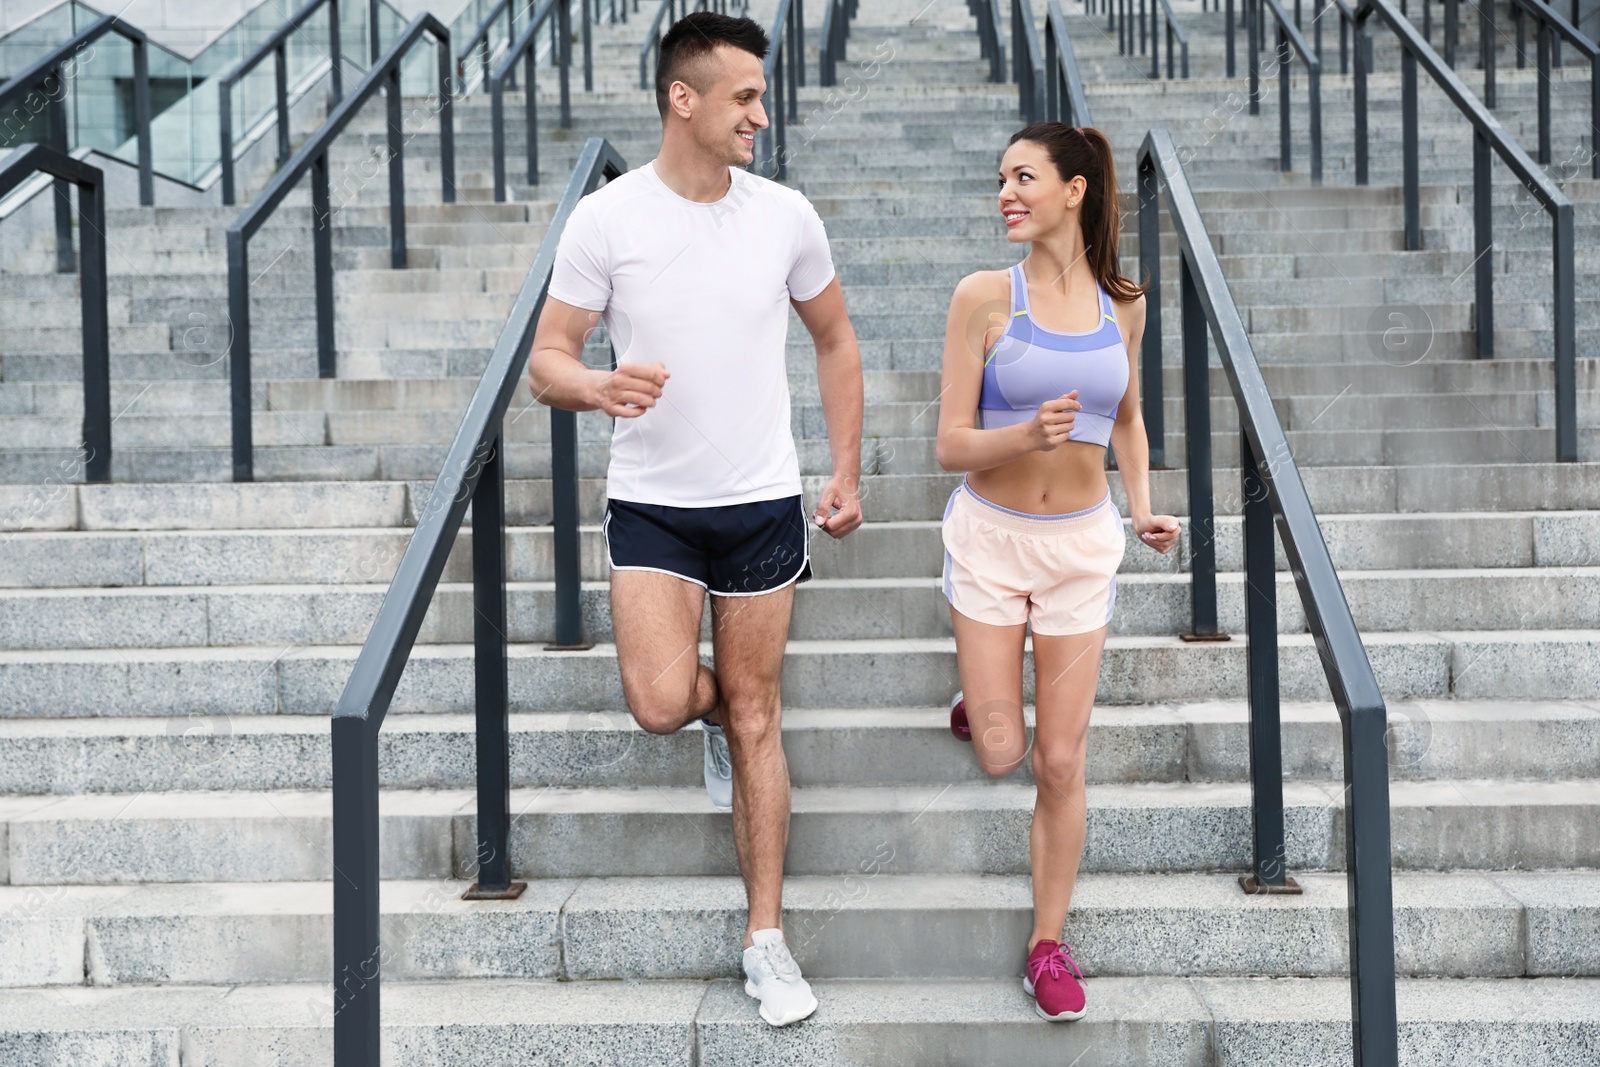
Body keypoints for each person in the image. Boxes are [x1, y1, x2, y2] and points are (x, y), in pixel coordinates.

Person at [526, 10, 864, 1029]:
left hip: (761, 499)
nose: (762, 113)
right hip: (654, 506)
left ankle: (765, 939)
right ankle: (710, 713)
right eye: (745, 97)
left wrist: (844, 466)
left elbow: (836, 340)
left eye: (761, 95)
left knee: (758, 707)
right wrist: (596, 386)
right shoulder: (607, 220)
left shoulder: (786, 216)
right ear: (684, 99)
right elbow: (547, 358)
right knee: (662, 700)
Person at [934, 122, 1181, 1023]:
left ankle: (1047, 946)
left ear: (1074, 190)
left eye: (1023, 176)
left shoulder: (1126, 303)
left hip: (1081, 547)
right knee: (1003, 748)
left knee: (1061, 760)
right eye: (999, 177)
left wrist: (1144, 500)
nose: (1005, 192)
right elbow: (948, 443)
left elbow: (1127, 416)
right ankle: (978, 689)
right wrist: (1023, 434)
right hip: (992, 539)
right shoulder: (981, 298)